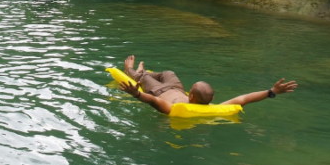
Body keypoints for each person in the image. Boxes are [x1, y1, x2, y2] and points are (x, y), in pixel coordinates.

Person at [118, 55, 298, 115]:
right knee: (168, 73)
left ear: (191, 96)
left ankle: (133, 70)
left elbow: (153, 101)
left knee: (144, 79)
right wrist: (271, 91)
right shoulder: (215, 107)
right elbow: (244, 99)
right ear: (212, 98)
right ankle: (145, 72)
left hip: (158, 90)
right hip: (175, 87)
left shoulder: (174, 108)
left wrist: (136, 94)